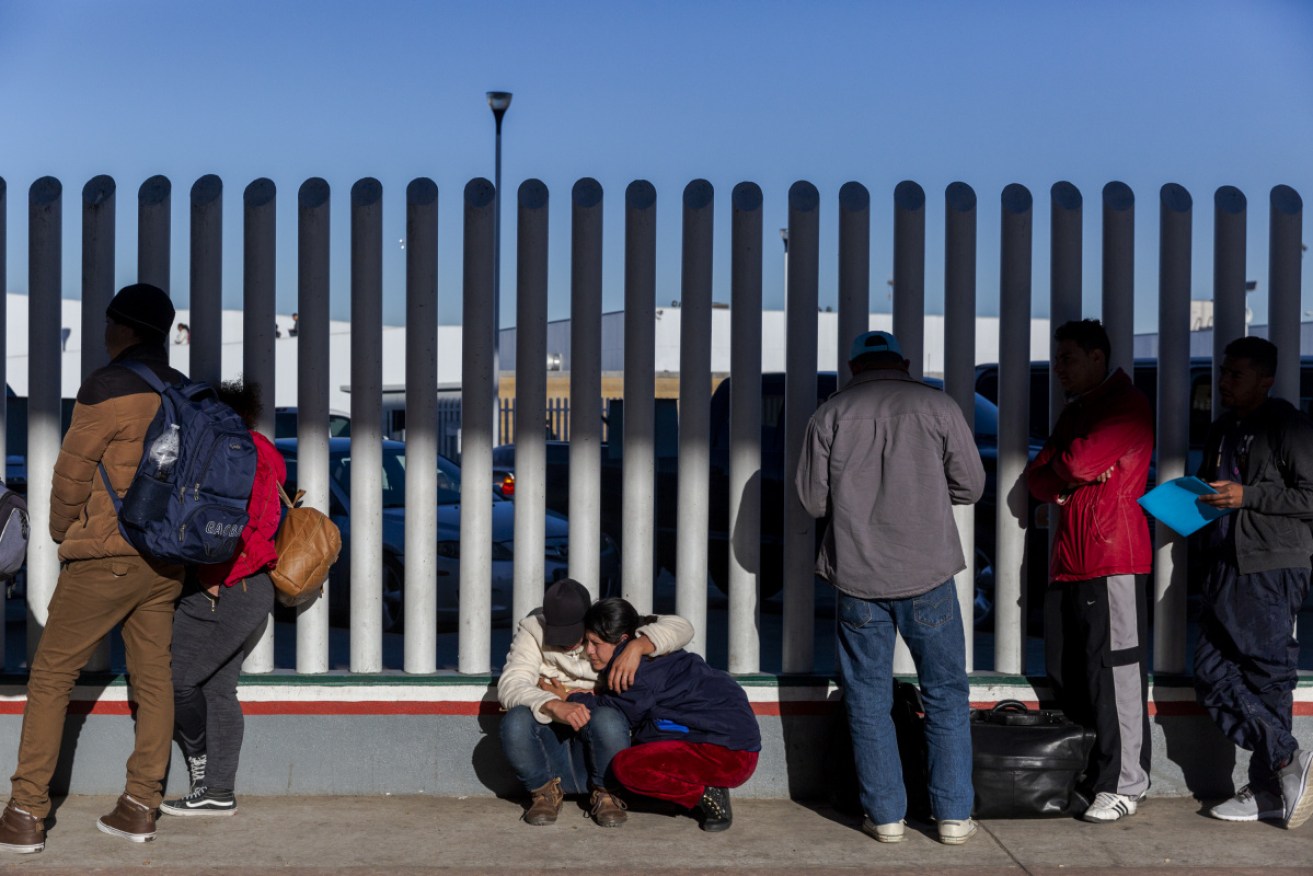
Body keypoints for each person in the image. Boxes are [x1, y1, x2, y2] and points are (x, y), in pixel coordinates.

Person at [0, 284, 187, 852]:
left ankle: (26, 812)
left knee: (52, 673)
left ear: (124, 329)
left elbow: (71, 474)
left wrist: (60, 533)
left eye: (108, 324)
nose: (103, 335)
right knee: (153, 678)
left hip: (105, 554)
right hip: (165, 559)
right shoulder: (182, 391)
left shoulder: (107, 386)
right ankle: (140, 805)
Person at [795, 330, 985, 845]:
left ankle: (885, 818)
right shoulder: (938, 406)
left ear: (853, 367)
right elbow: (971, 485)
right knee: (945, 695)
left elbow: (813, 501)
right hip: (928, 575)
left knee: (866, 699)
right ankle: (952, 817)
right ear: (903, 362)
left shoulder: (828, 415)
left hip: (857, 578)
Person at [1026, 319, 1154, 823]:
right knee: (1071, 674)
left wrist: (1066, 465)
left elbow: (1074, 467)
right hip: (1070, 563)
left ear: (1097, 358)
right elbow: (1038, 478)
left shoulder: (1125, 405)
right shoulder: (1078, 411)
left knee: (1114, 674)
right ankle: (1088, 776)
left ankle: (1125, 784)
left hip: (1113, 560)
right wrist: (1065, 465)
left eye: (1068, 359)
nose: (1059, 369)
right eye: (1057, 360)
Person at [1193, 336, 1313, 828]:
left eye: (1236, 374)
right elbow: (1211, 487)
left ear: (1266, 380)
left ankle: (1270, 784)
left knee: (1267, 674)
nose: (1223, 381)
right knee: (1211, 670)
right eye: (1222, 371)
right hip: (1226, 563)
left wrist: (1247, 495)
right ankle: (1284, 761)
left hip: (1270, 563)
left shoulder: (1287, 424)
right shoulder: (1222, 427)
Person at [160, 380, 284, 818]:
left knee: (175, 680)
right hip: (252, 586)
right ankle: (217, 791)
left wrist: (211, 577)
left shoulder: (229, 454)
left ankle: (203, 768)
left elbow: (228, 523)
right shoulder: (264, 452)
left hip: (226, 585)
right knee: (217, 690)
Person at [545, 597, 760, 832]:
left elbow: (616, 710)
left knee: (627, 767)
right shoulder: (654, 647)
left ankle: (707, 795)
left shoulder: (636, 671)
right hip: (729, 741)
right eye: (587, 642)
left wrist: (568, 698)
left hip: (729, 754)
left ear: (622, 640)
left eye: (596, 643)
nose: (589, 651)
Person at [497, 577, 694, 828]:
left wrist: (638, 646)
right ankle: (544, 792)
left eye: (574, 635)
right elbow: (511, 683)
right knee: (515, 721)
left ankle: (606, 793)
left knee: (609, 719)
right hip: (551, 727)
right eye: (559, 635)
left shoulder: (605, 622)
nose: (568, 643)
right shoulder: (533, 629)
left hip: (598, 726)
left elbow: (682, 626)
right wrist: (553, 703)